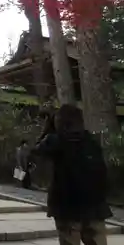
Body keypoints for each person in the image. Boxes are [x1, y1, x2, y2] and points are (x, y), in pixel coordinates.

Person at [33, 104, 112, 245]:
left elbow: (35, 151)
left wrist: (47, 129)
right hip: (95, 207)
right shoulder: (91, 142)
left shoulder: (56, 141)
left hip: (67, 207)